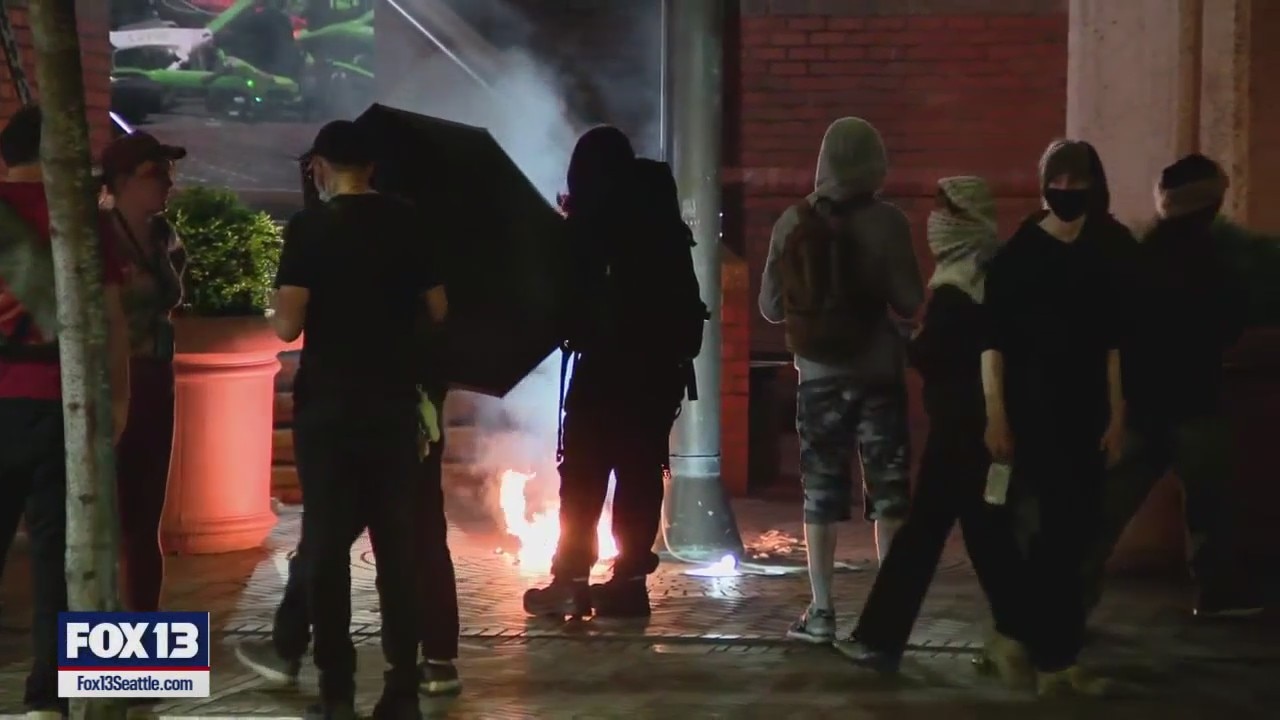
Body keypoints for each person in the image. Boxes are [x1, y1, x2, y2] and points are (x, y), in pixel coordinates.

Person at [232, 120, 447, 720]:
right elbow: (438, 308)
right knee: (396, 548)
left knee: (325, 547)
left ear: (322, 166)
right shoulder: (409, 221)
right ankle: (402, 683)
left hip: (329, 409)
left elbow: (286, 326)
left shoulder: (309, 228)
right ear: (373, 166)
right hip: (392, 405)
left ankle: (336, 687)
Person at [835, 177, 1032, 686]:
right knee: (982, 537)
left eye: (945, 209)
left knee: (932, 535)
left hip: (966, 429)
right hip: (962, 425)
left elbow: (981, 353)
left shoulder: (970, 282)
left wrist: (917, 344)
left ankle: (882, 639)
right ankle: (1025, 635)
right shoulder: (971, 273)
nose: (934, 220)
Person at [523, 129, 705, 619]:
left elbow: (564, 300)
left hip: (606, 373)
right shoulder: (660, 218)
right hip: (659, 375)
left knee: (582, 476)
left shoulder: (593, 223)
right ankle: (628, 585)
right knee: (640, 473)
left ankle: (571, 580)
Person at [757, 116, 923, 644]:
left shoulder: (792, 221)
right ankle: (888, 616)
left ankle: (823, 611)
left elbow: (769, 307)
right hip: (878, 374)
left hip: (818, 380)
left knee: (822, 493)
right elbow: (910, 302)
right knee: (889, 494)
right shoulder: (888, 223)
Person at [981, 139, 1132, 696]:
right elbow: (992, 343)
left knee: (1075, 537)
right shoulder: (1019, 254)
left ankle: (1052, 654)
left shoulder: (1110, 248)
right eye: (1057, 184)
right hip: (1032, 411)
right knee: (1044, 535)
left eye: (1076, 185)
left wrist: (1117, 414)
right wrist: (996, 415)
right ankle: (1046, 654)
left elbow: (1116, 342)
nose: (1066, 195)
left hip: (1086, 412)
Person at [1084, 154, 1258, 618]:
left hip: (1140, 405)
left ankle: (1069, 597)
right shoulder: (1220, 260)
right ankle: (1219, 594)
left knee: (1105, 511)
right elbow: (1232, 321)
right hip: (1195, 402)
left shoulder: (1137, 253)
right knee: (1211, 507)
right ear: (1211, 203)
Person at [0, 105, 131, 717]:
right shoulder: (82, 221)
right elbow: (110, 320)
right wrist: (121, 398)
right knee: (58, 556)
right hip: (63, 403)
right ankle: (48, 697)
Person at [100, 131, 188, 613]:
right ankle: (101, 639)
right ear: (122, 181)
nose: (168, 183)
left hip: (156, 377)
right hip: (114, 377)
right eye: (155, 173)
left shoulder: (165, 237)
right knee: (110, 511)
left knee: (145, 512)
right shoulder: (98, 233)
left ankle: (140, 640)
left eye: (168, 172)